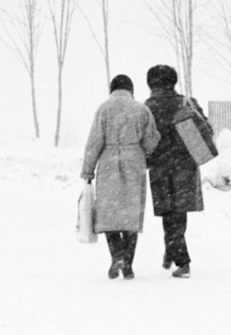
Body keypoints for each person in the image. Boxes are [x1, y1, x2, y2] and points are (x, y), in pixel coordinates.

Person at [81, 75, 160, 280]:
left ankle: (117, 255)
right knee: (130, 215)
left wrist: (88, 170)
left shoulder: (104, 109)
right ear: (131, 89)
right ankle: (128, 263)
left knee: (109, 213)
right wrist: (142, 151)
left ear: (112, 89)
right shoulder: (141, 109)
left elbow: (94, 141)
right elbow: (152, 139)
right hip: (134, 161)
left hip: (108, 162)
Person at [144, 65, 211, 279]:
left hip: (160, 167)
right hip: (185, 166)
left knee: (169, 213)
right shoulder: (187, 102)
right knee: (178, 213)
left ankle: (181, 261)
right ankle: (172, 247)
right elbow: (207, 129)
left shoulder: (147, 107)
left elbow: (143, 138)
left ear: (151, 83)